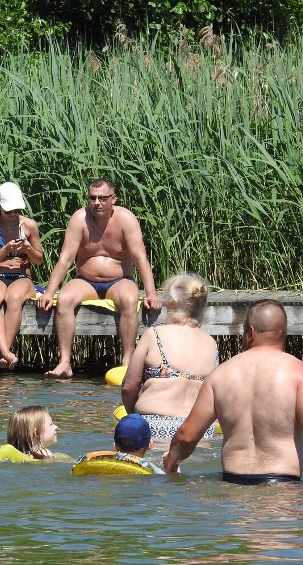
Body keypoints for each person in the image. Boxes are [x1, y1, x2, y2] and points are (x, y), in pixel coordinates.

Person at [164, 300, 303, 484]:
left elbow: (186, 437)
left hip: (233, 493)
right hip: (283, 489)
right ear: (284, 333)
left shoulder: (219, 375)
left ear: (250, 332)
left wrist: (171, 461)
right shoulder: (298, 372)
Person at [37, 178, 161, 378]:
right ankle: (65, 362)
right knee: (65, 299)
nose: (97, 203)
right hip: (86, 280)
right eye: (92, 198)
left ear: (113, 199)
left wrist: (151, 293)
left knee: (130, 300)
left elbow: (140, 257)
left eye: (102, 198)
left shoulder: (126, 219)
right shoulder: (80, 219)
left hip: (119, 280)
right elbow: (66, 258)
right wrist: (49, 292)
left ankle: (127, 362)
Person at [121, 274, 218, 439]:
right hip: (197, 431)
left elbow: (129, 387)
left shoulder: (154, 335)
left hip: (155, 425)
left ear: (172, 302)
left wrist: (134, 416)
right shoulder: (211, 344)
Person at [0, 182, 43, 369]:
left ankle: (4, 354)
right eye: (9, 211)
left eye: (16, 210)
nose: (13, 214)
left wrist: (29, 249)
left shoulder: (29, 225)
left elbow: (38, 260)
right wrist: (5, 251)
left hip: (22, 276)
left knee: (14, 297)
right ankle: (6, 353)